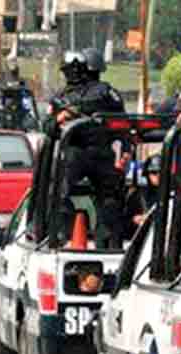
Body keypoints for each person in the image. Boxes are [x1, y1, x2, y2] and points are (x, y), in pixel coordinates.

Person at [48, 50, 129, 249]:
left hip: (99, 153)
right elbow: (48, 127)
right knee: (58, 192)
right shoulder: (61, 97)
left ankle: (106, 243)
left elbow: (123, 123)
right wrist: (60, 118)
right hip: (77, 151)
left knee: (109, 199)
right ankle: (65, 236)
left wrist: (125, 151)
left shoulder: (104, 92)